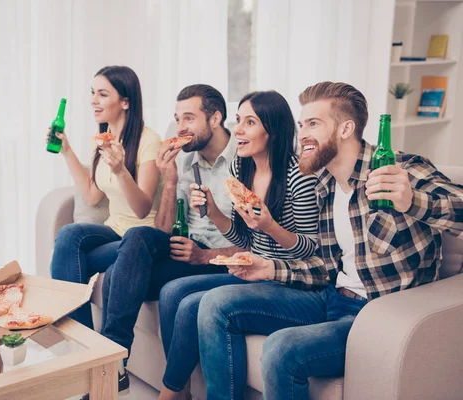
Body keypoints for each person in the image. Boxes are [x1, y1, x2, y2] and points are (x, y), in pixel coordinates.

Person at [197, 81, 463, 400]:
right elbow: (324, 267)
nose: (303, 134)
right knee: (215, 303)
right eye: (301, 124)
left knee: (281, 348)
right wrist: (269, 268)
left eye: (314, 124)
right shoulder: (325, 185)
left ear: (345, 128)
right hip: (329, 296)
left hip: (374, 315)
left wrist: (412, 200)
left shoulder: (399, 169)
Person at [157, 90, 319, 400]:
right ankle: (180, 391)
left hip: (290, 279)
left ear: (273, 130)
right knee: (172, 292)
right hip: (254, 268)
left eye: (250, 123)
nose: (239, 131)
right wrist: (212, 212)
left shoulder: (298, 175)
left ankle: (170, 394)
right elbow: (245, 239)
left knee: (196, 303)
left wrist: (270, 226)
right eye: (239, 121)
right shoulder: (241, 170)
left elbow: (310, 249)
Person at [99, 84, 241, 394]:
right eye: (177, 119)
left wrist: (204, 255)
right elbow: (163, 230)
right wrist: (171, 178)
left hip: (219, 260)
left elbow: (253, 245)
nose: (180, 128)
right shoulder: (185, 160)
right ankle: (114, 359)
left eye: (188, 119)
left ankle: (111, 366)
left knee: (114, 277)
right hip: (184, 250)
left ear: (215, 119)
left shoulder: (243, 161)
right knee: (136, 240)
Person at [49, 65, 161, 330]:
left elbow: (143, 208)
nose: (93, 101)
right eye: (92, 93)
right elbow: (91, 195)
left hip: (142, 239)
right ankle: (85, 341)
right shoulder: (102, 139)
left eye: (102, 94)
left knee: (69, 262)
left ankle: (82, 345)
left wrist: (121, 171)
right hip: (115, 231)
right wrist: (66, 150)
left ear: (125, 102)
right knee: (68, 235)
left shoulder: (149, 141)